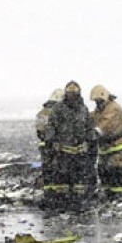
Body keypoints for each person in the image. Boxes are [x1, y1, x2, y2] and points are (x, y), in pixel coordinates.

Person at [44, 81, 96, 212]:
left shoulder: (83, 109)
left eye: (75, 93)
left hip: (79, 151)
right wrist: (51, 142)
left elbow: (89, 127)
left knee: (79, 180)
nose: (72, 96)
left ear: (79, 94)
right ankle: (62, 204)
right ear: (65, 94)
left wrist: (91, 141)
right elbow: (51, 126)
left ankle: (78, 204)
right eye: (70, 93)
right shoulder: (58, 109)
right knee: (62, 179)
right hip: (63, 151)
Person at [90, 85, 122, 200]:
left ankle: (118, 196)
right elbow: (93, 118)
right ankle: (108, 195)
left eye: (99, 100)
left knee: (115, 170)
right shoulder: (100, 109)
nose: (97, 103)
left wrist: (95, 132)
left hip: (116, 144)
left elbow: (106, 124)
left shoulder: (113, 108)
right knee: (103, 170)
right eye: (96, 101)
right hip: (105, 145)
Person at [35, 88, 63, 208]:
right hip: (56, 147)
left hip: (44, 147)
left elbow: (40, 132)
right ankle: (57, 197)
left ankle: (49, 195)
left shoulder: (41, 113)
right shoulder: (59, 112)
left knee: (48, 170)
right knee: (58, 170)